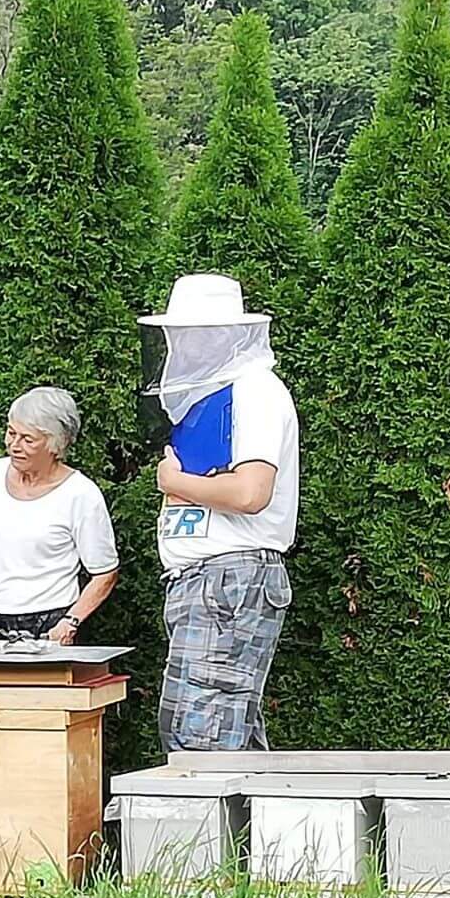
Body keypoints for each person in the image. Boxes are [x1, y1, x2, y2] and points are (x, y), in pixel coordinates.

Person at [143, 273, 299, 751]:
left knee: (201, 731)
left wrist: (174, 483)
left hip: (228, 578)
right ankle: (251, 831)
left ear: (224, 334)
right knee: (227, 730)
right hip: (210, 579)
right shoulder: (215, 397)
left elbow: (252, 491)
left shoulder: (256, 391)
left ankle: (204, 831)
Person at [0, 386, 120, 644]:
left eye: (28, 439)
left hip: (52, 626)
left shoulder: (81, 495)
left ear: (56, 445)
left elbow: (105, 573)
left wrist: (71, 621)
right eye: (11, 433)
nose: (14, 445)